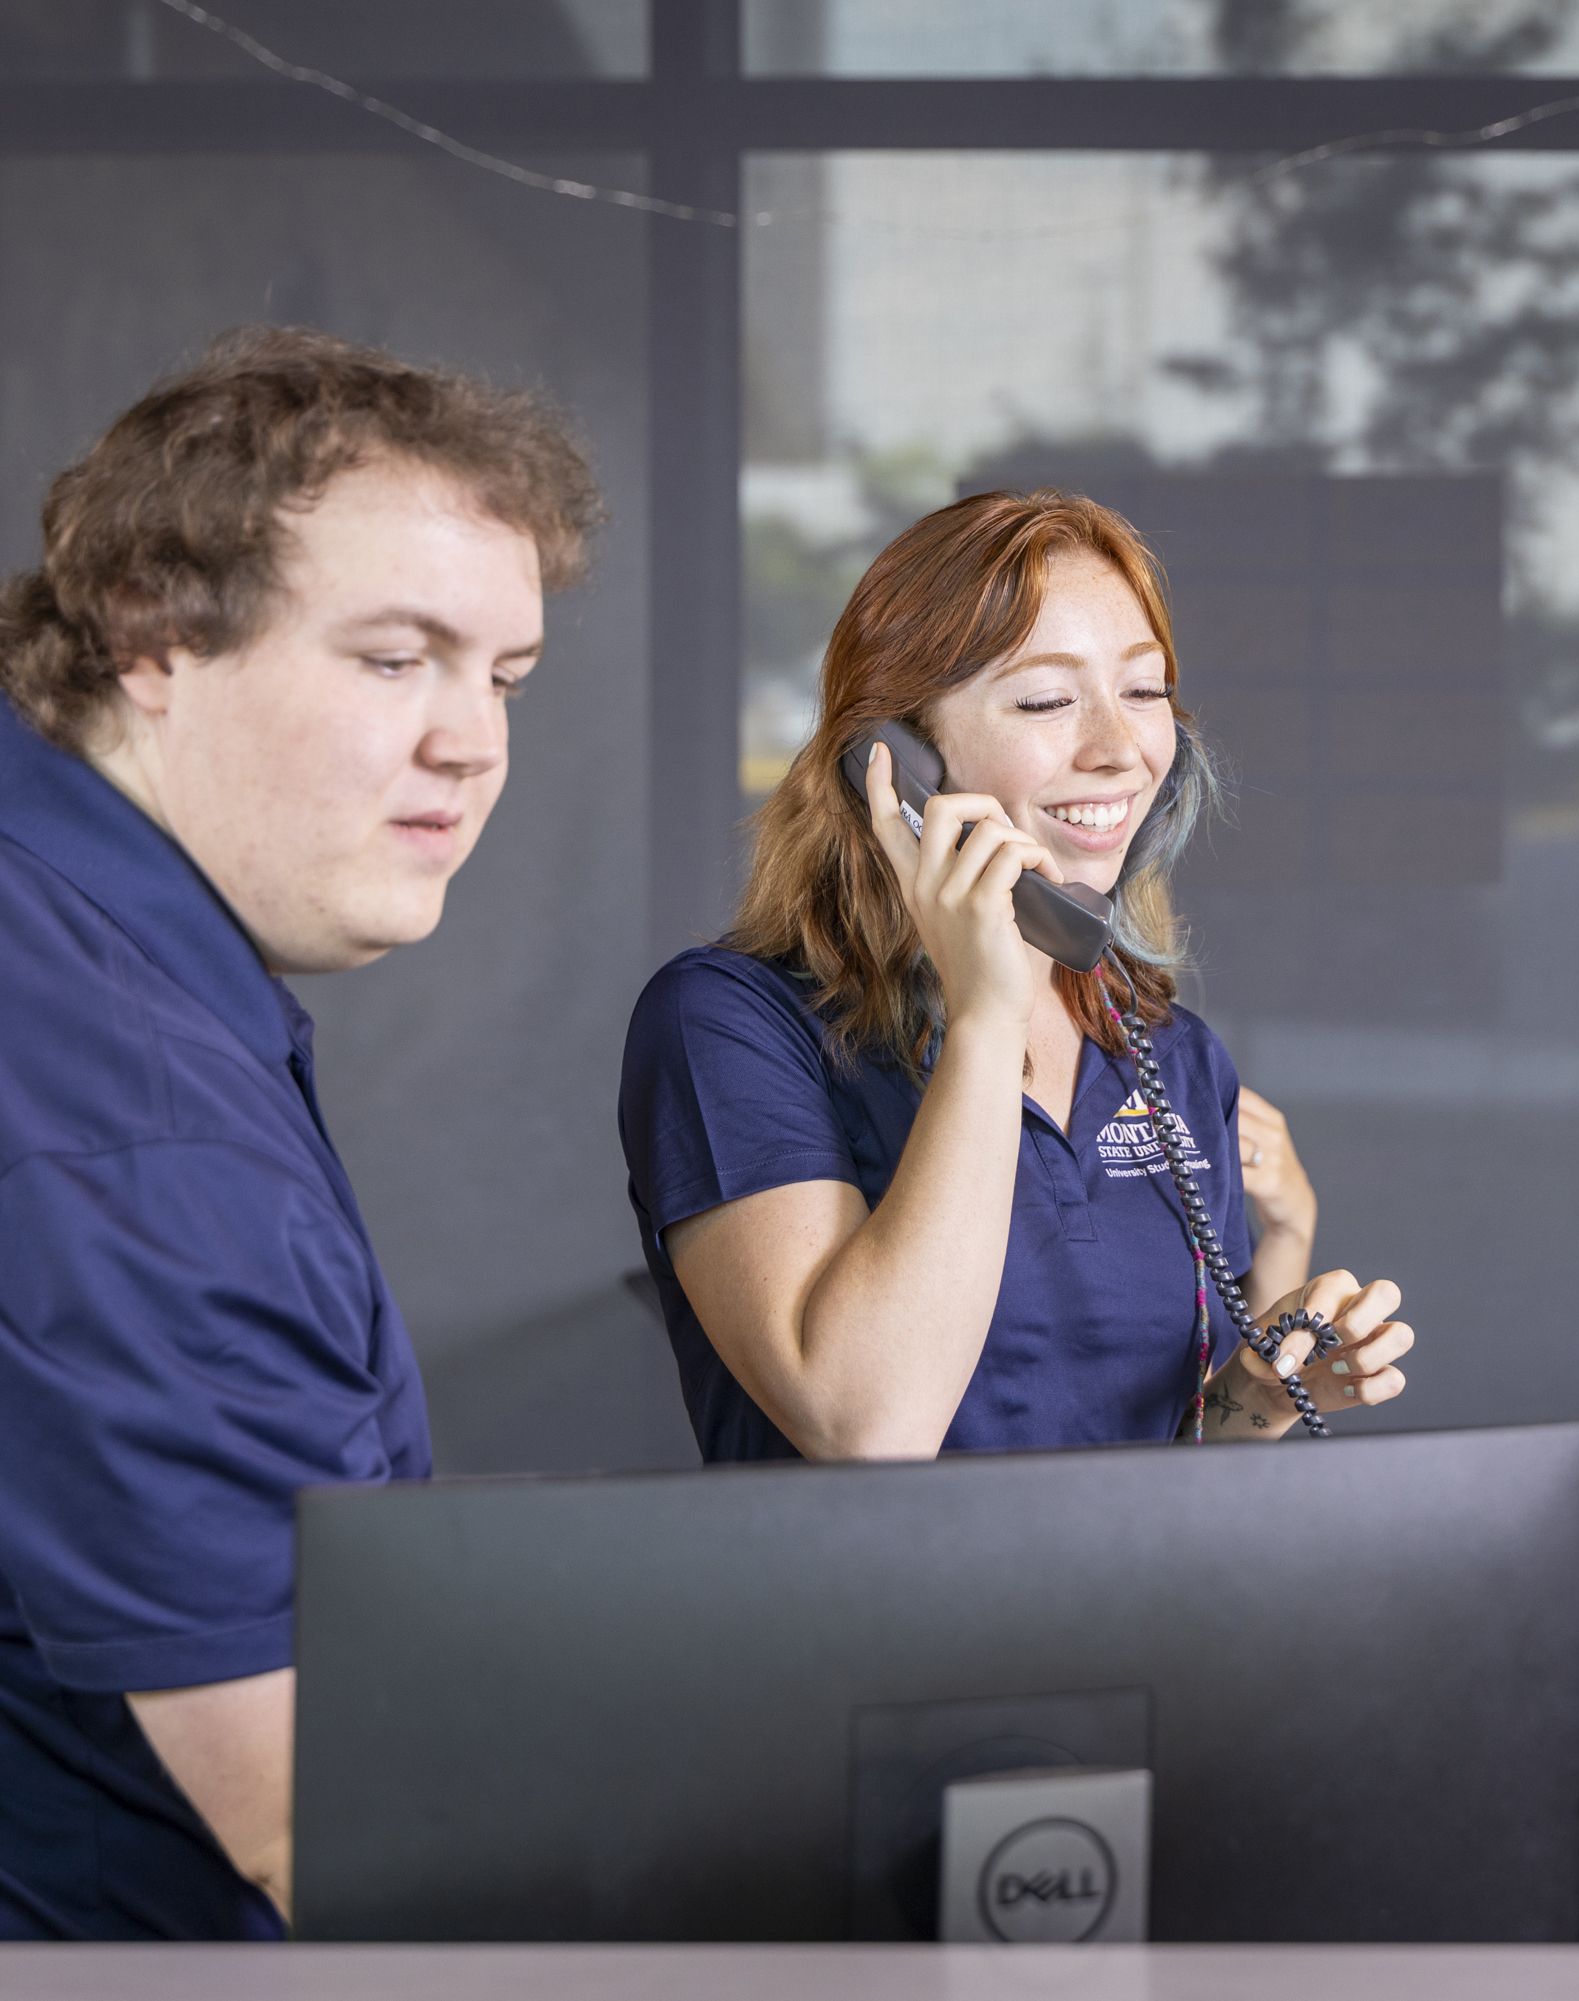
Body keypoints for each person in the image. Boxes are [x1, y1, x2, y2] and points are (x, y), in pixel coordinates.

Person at [0, 327, 601, 1939]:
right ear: (149, 637)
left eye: (504, 677)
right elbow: (335, 1832)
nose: (472, 743)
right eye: (394, 657)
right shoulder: (138, 1140)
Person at [621, 489, 1412, 1462]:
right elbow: (866, 1427)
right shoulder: (728, 1025)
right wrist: (988, 1019)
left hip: (1124, 1617)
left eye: (1145, 689)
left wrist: (1258, 1392)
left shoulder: (1165, 1053)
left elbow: (1177, 1473)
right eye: (1046, 699)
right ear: (896, 759)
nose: (1119, 750)